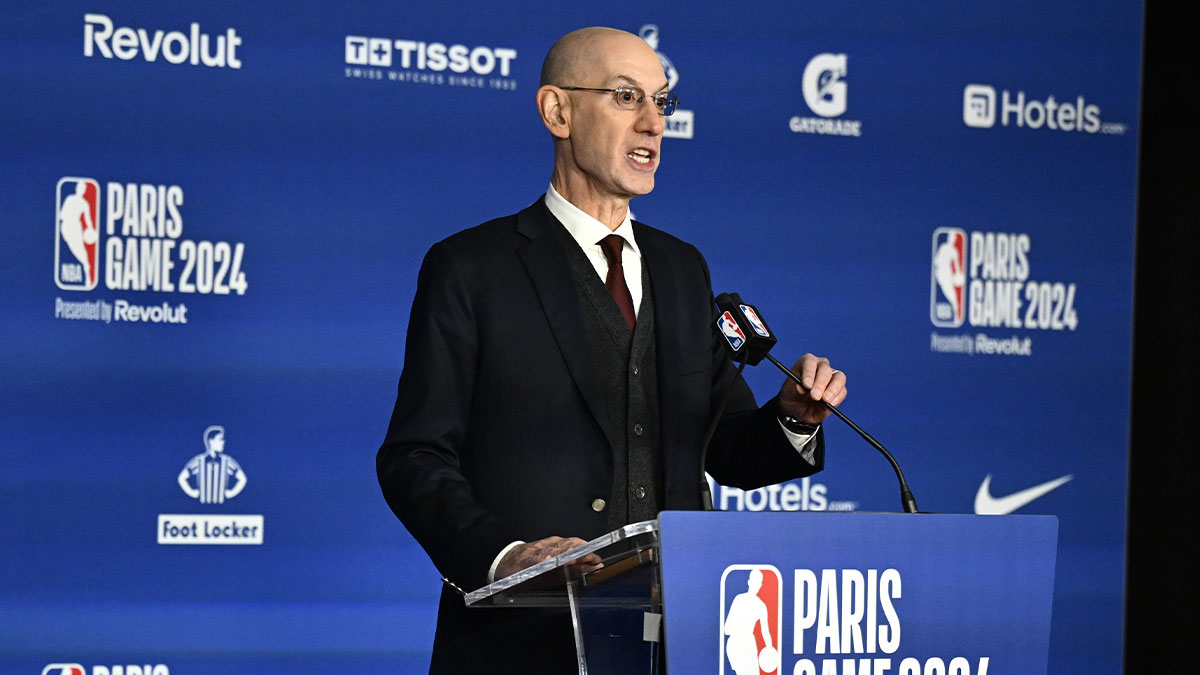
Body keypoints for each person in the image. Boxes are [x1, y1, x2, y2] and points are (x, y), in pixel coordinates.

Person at [376, 26, 847, 673]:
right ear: (557, 110)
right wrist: (504, 555)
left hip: (676, 647)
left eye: (663, 102)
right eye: (627, 97)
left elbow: (728, 444)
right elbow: (414, 456)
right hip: (518, 648)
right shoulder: (471, 268)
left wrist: (792, 416)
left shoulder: (682, 269)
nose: (654, 123)